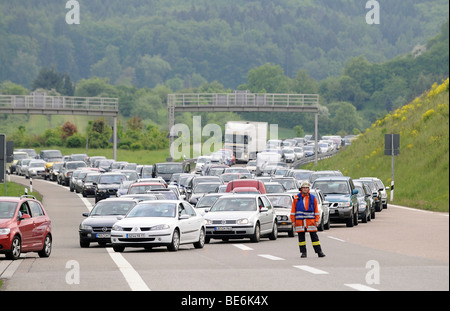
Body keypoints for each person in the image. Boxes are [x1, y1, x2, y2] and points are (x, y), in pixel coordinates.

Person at [290, 181, 325, 258]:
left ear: (308, 189)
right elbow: (293, 210)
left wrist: (316, 220)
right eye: (304, 188)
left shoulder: (313, 198)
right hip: (300, 222)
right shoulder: (296, 198)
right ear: (301, 189)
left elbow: (316, 210)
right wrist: (293, 221)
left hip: (310, 221)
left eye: (306, 188)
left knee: (314, 237)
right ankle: (303, 252)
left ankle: (319, 252)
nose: (305, 189)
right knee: (301, 238)